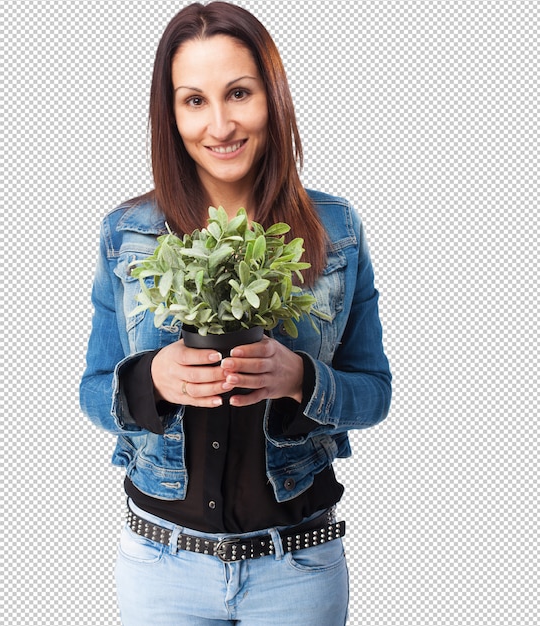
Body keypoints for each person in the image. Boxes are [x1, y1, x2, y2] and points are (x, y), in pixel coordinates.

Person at [80, 2, 391, 624]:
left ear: (272, 98)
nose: (219, 124)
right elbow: (93, 393)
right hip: (162, 568)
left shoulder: (337, 231)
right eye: (194, 100)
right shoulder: (127, 233)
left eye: (239, 93)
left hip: (297, 571)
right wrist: (152, 382)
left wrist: (302, 379)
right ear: (169, 114)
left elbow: (375, 393)